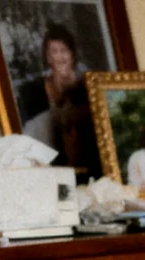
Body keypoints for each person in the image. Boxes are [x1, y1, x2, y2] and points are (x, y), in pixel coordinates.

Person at [18, 24, 99, 172]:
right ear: (48, 57)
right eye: (54, 52)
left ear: (72, 54)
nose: (60, 57)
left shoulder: (88, 83)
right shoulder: (34, 90)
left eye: (64, 51)